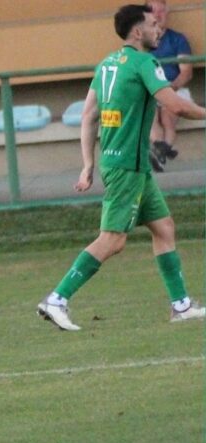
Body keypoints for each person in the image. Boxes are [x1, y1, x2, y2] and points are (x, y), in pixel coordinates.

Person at [37, 4, 206, 331]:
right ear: (138, 31)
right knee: (113, 240)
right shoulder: (145, 62)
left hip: (130, 165)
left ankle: (181, 305)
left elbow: (88, 116)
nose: (158, 30)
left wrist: (88, 165)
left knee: (164, 226)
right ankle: (57, 299)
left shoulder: (107, 64)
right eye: (153, 25)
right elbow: (175, 105)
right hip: (127, 166)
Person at [146, 0, 192, 171]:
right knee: (149, 117)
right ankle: (163, 151)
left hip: (175, 90)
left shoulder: (178, 39)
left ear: (167, 13)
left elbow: (186, 72)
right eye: (152, 11)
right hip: (151, 92)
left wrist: (169, 90)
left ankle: (160, 153)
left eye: (161, 11)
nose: (157, 15)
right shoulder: (142, 42)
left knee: (167, 118)